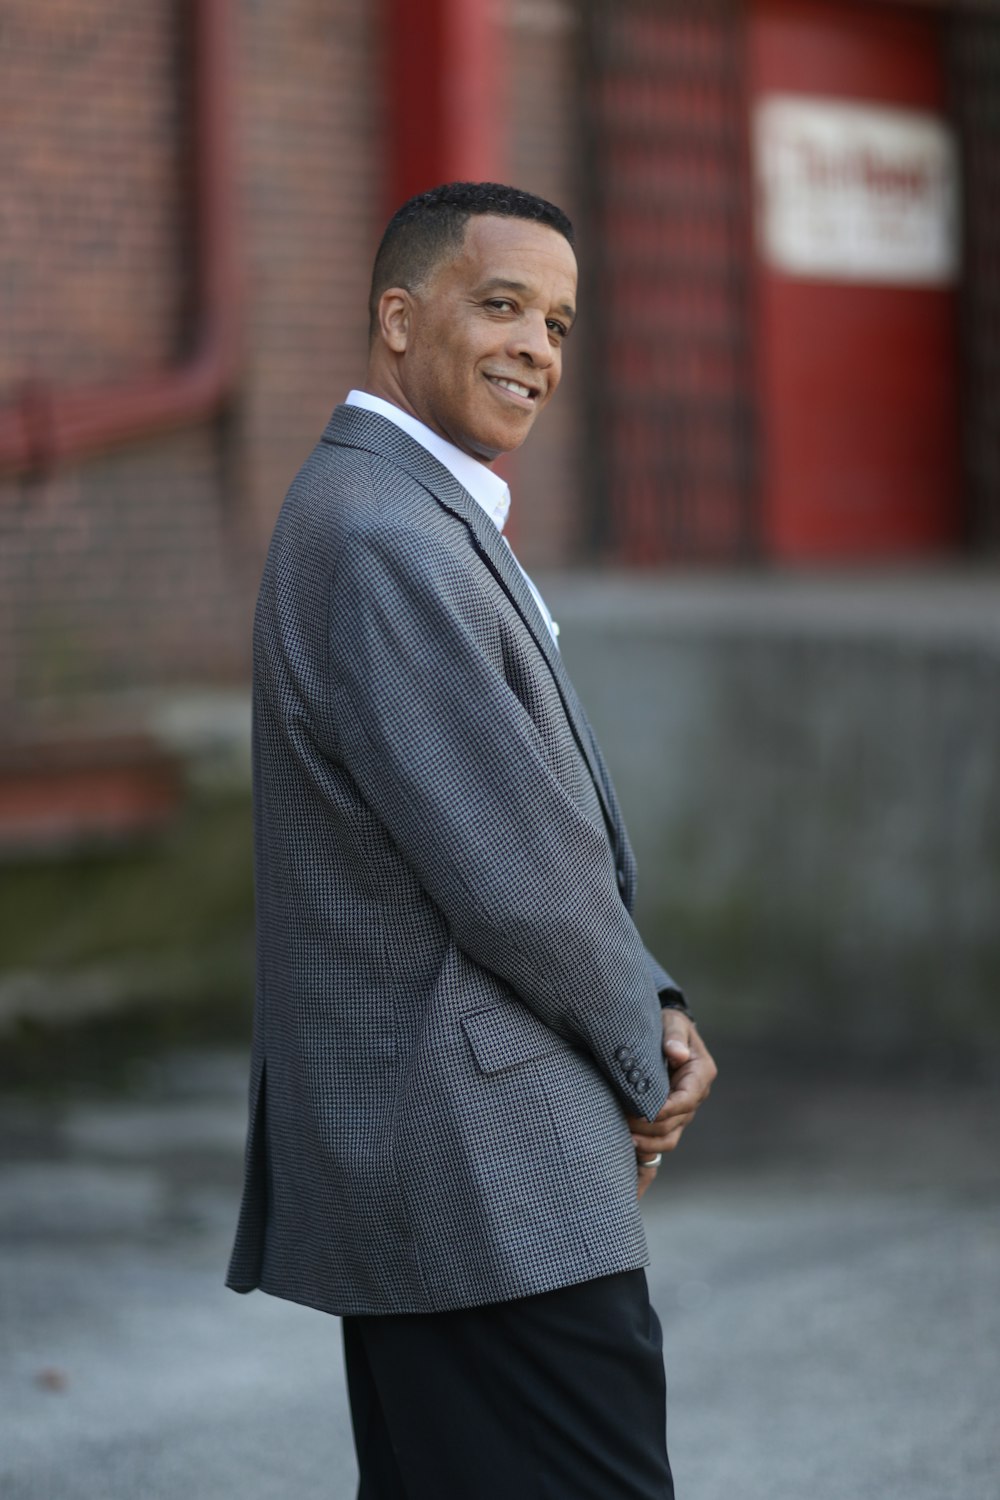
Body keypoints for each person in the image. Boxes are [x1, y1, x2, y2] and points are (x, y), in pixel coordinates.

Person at [227, 181, 717, 1500]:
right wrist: (646, 1046)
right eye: (500, 305)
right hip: (487, 1177)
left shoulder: (405, 515)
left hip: (448, 1168)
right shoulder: (387, 533)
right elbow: (516, 875)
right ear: (399, 317)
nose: (538, 351)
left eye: (558, 323)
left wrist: (647, 999)